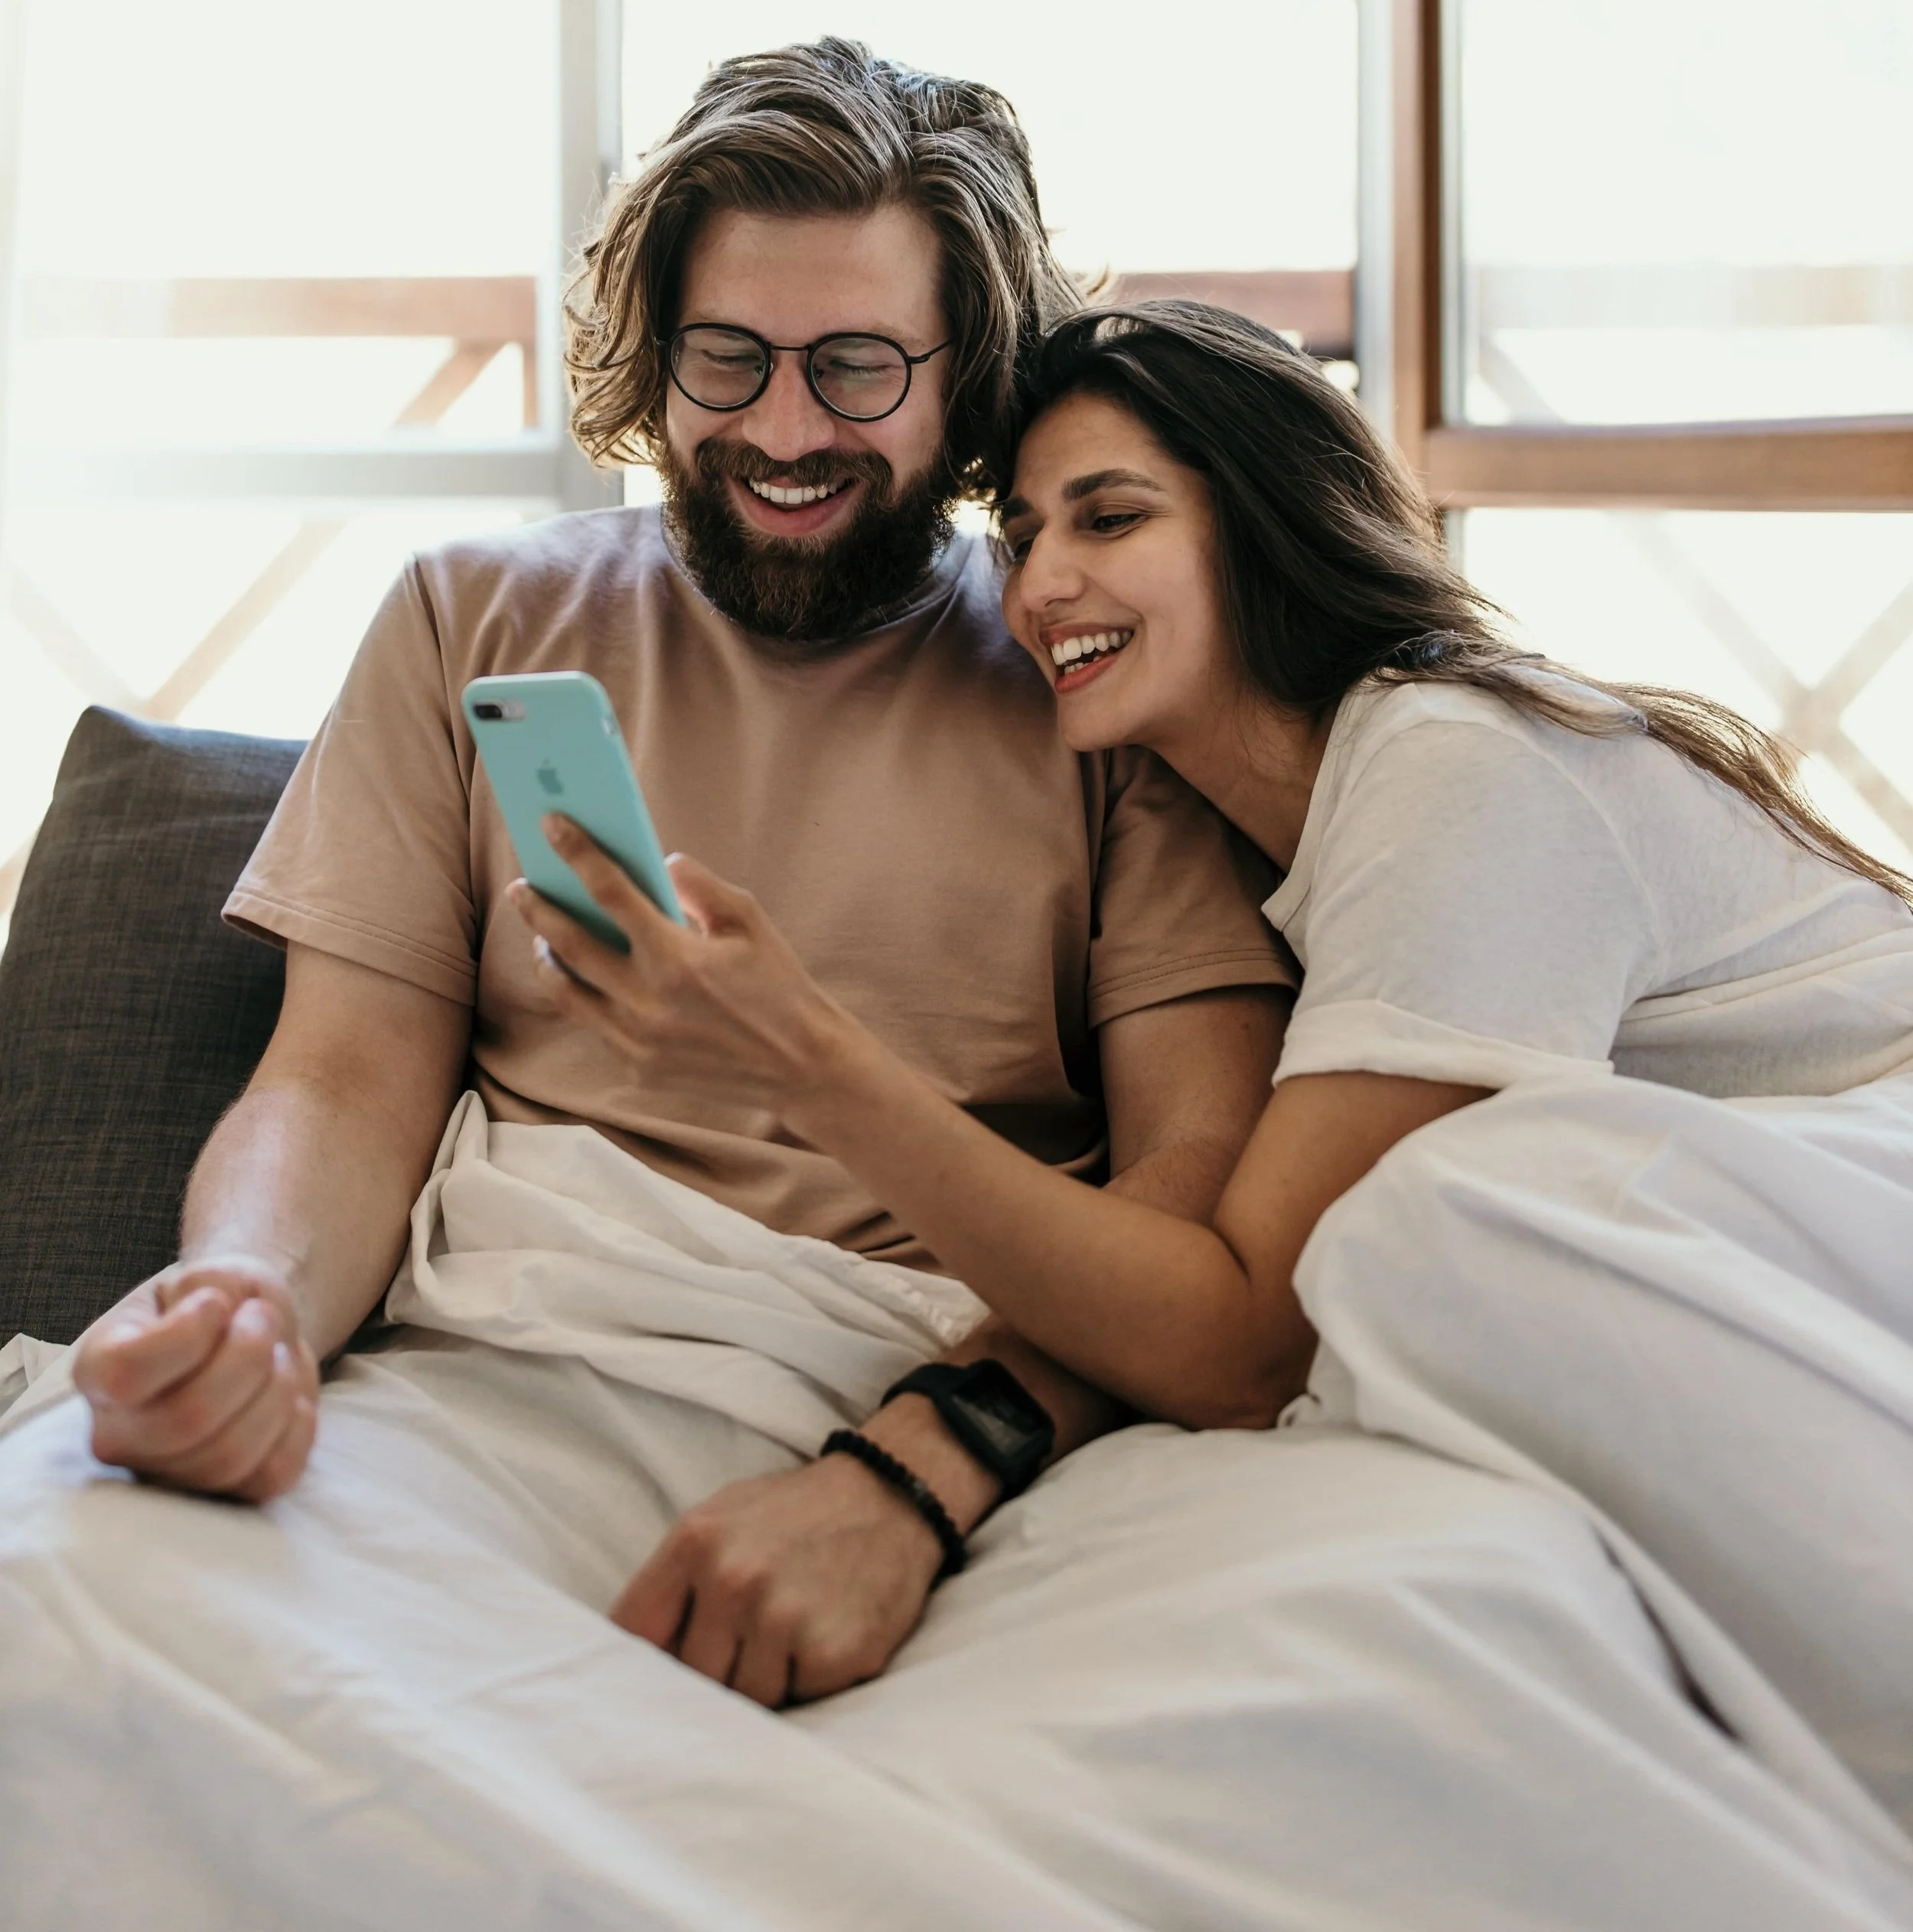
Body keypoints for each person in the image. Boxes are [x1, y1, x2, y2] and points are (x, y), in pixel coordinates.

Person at [518, 298, 1913, 1831]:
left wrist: (804, 1056)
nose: (1041, 586)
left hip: (1865, 1193)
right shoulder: (1265, 853)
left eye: (1109, 518)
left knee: (1434, 1218)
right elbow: (1209, 1272)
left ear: (1261, 526)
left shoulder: (1454, 762)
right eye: (1022, 529)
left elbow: (1245, 1337)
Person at [44, 47, 1290, 1699]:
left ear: (963, 371)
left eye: (855, 368)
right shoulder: (468, 616)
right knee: (64, 1621)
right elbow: (340, 1083)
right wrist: (250, 1299)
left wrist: (915, 1477)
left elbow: (1185, 1205)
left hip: (943, 1383)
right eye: (728, 358)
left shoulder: (1096, 669)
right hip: (499, 1368)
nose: (782, 431)